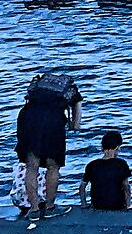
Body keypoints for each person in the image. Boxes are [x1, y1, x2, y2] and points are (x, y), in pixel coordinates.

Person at [13, 69, 81, 219]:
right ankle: (50, 207)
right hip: (52, 121)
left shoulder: (38, 85)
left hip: (27, 118)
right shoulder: (71, 89)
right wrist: (73, 126)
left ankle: (34, 210)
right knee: (53, 166)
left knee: (31, 166)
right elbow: (76, 119)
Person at [81, 130, 132, 211]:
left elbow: (82, 187)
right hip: (117, 206)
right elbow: (127, 188)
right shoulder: (121, 164)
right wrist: (128, 205)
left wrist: (84, 204)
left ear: (102, 147)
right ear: (117, 147)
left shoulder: (92, 165)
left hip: (97, 206)